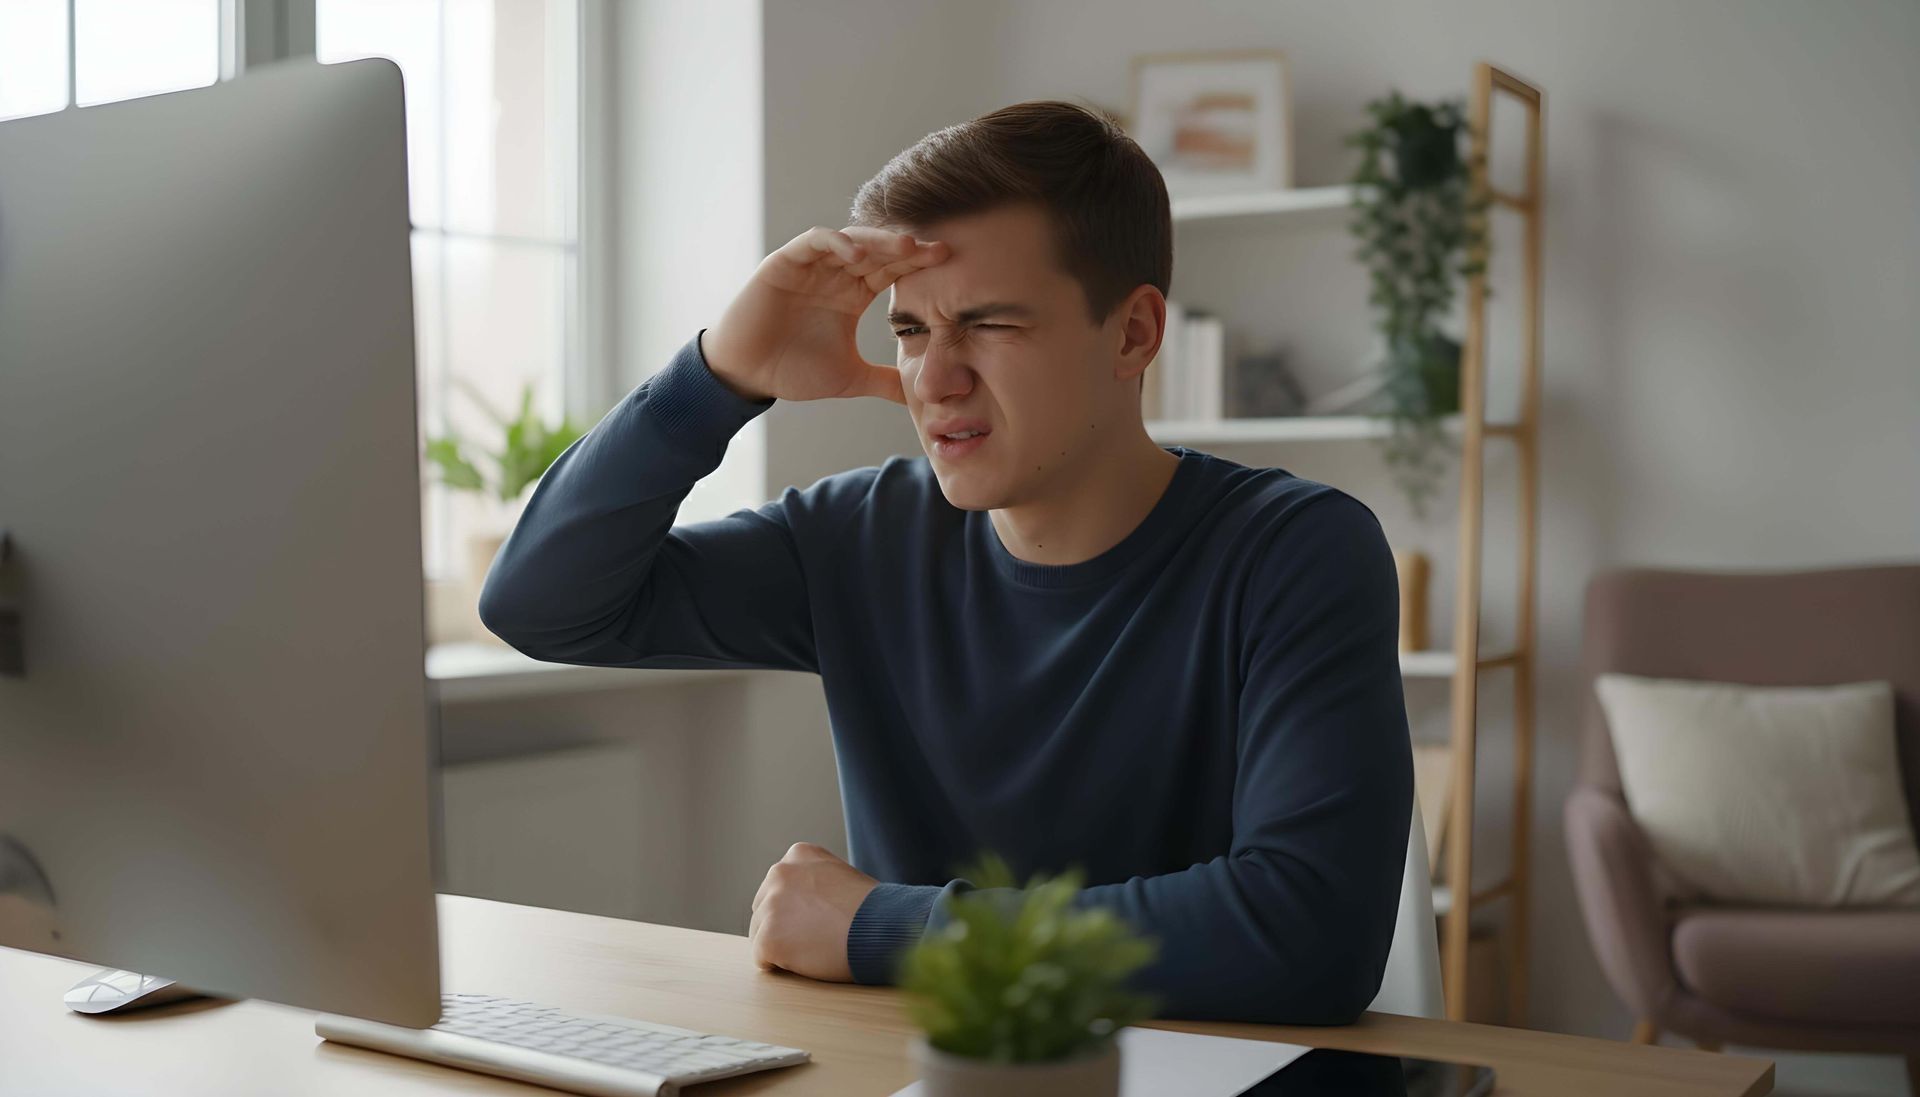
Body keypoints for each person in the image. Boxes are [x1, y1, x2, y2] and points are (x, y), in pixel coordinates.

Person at [478, 100, 1413, 1025]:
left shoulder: (1296, 551)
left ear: (1133, 334)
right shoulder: (860, 536)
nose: (934, 378)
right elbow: (544, 605)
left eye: (990, 325)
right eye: (911, 330)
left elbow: (1312, 932)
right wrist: (719, 375)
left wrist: (884, 926)